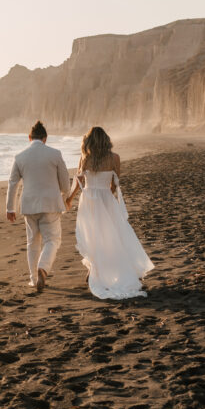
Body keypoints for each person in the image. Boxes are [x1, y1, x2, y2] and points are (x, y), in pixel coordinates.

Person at [65, 126, 153, 299]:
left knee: (92, 236)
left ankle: (95, 269)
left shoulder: (85, 158)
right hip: (106, 199)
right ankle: (103, 270)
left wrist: (69, 199)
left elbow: (78, 182)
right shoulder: (115, 158)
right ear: (106, 140)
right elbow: (114, 184)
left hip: (89, 200)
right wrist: (107, 195)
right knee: (111, 235)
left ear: (88, 141)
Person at [6, 120, 71, 293]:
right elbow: (65, 183)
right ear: (45, 138)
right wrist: (64, 195)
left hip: (28, 205)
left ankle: (34, 279)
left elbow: (12, 183)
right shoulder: (55, 154)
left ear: (29, 137)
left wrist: (10, 208)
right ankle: (43, 268)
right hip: (50, 204)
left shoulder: (20, 156)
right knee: (52, 240)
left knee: (32, 242)